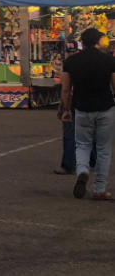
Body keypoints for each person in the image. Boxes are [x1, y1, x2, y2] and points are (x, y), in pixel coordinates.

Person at [59, 28, 115, 201]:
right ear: (98, 41)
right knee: (103, 149)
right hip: (105, 108)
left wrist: (66, 109)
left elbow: (66, 90)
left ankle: (82, 170)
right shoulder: (109, 60)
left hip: (81, 108)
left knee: (82, 145)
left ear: (81, 42)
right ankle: (99, 189)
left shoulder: (71, 62)